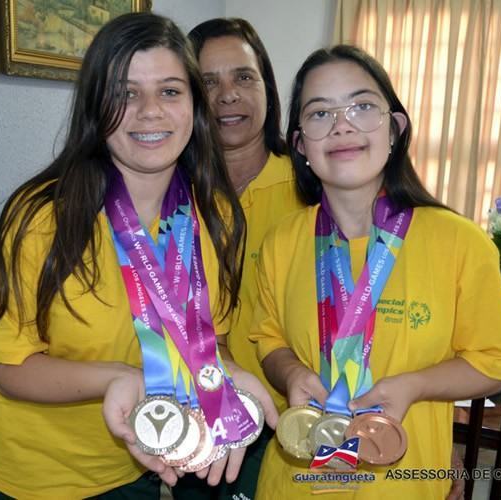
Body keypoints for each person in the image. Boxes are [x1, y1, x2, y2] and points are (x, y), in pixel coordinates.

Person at [0, 13, 276, 499]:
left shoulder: (214, 214)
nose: (150, 111)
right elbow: (10, 369)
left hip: (140, 468)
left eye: (170, 91)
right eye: (126, 93)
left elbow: (207, 341)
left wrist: (229, 377)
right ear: (97, 106)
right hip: (36, 478)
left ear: (195, 105)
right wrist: (120, 377)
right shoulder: (41, 217)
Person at [249, 45, 501, 498]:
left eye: (362, 106)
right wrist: (292, 374)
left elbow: (494, 364)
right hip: (294, 480)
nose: (342, 125)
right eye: (319, 114)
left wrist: (413, 386)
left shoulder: (460, 241)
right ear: (300, 145)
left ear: (395, 128)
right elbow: (267, 339)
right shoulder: (281, 241)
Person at [170, 18, 304, 500]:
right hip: (201, 416)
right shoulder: (167, 195)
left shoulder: (315, 189)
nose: (228, 95)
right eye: (208, 82)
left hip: (301, 420)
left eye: (244, 77)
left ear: (268, 86)